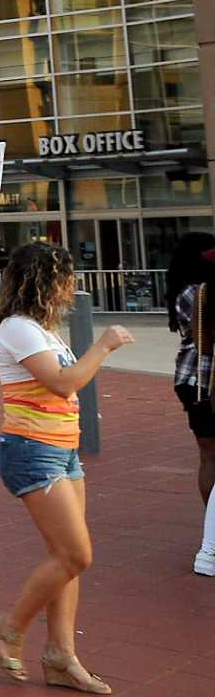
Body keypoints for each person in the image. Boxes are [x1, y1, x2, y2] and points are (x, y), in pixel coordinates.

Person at [0, 242, 134, 693]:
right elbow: (64, 382)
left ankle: (60, 656)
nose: (70, 288)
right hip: (31, 451)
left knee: (67, 559)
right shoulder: (18, 328)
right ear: (45, 282)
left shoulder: (43, 331)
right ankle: (8, 628)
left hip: (62, 451)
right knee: (76, 554)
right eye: (65, 279)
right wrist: (103, 345)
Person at [164, 236, 215, 577]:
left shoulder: (185, 291)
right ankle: (211, 537)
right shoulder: (201, 293)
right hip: (205, 381)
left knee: (208, 456)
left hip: (191, 379)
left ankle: (211, 532)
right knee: (210, 456)